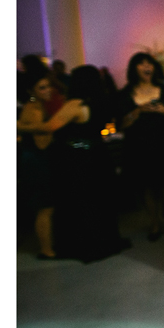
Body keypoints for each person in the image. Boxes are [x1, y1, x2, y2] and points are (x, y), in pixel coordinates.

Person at [18, 65, 131, 263]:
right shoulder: (101, 101)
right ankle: (105, 239)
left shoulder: (75, 105)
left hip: (79, 159)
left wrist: (18, 125)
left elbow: (49, 127)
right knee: (101, 202)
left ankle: (88, 244)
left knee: (83, 203)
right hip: (99, 155)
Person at [114, 52, 164, 241]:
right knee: (147, 187)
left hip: (162, 144)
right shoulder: (126, 93)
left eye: (149, 63)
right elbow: (121, 124)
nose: (147, 67)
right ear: (134, 68)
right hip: (139, 146)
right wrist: (138, 111)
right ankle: (154, 223)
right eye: (142, 64)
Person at [17, 63, 56, 258]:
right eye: (42, 87)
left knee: (44, 207)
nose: (48, 90)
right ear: (31, 91)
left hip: (33, 160)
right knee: (44, 208)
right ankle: (46, 249)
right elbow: (41, 143)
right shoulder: (34, 109)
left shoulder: (34, 106)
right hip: (36, 161)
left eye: (48, 86)